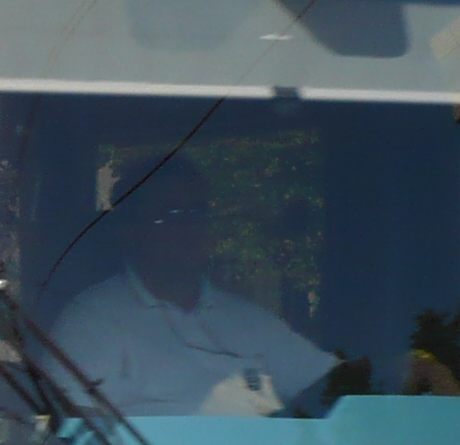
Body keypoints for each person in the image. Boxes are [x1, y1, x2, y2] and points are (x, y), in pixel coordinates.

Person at [47, 155, 335, 417]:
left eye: (199, 214)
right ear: (130, 230)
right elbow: (76, 434)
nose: (191, 228)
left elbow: (332, 388)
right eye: (173, 216)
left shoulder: (250, 321)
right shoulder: (91, 320)